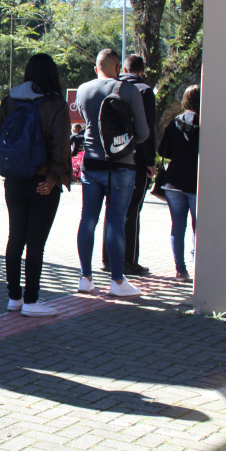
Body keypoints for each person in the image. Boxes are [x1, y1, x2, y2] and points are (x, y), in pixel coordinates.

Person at [0, 53, 71, 317]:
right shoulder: (55, 104)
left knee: (15, 238)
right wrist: (53, 177)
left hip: (14, 181)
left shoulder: (11, 100)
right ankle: (32, 301)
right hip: (43, 181)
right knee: (35, 243)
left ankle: (14, 298)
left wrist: (11, 149)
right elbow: (61, 145)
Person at [75, 49, 149, 297]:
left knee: (88, 219)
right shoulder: (128, 90)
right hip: (121, 164)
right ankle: (117, 281)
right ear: (119, 67)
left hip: (91, 163)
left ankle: (85, 278)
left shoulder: (83, 90)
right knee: (115, 221)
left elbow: (86, 122)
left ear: (96, 68)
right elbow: (143, 133)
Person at [100, 54, 158, 274]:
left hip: (110, 156)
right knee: (132, 211)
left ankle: (107, 258)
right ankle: (128, 260)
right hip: (136, 159)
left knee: (111, 209)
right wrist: (150, 161)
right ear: (143, 70)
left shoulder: (112, 87)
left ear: (123, 68)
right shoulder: (144, 91)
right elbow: (148, 129)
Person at [158, 84, 200, 282]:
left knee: (177, 227)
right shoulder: (206, 124)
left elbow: (163, 151)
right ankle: (198, 266)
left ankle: (180, 271)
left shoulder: (175, 122)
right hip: (196, 182)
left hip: (173, 182)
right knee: (198, 228)